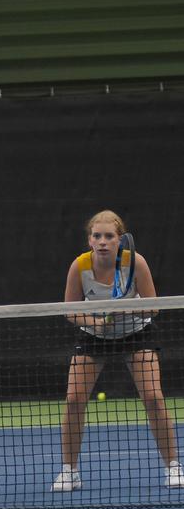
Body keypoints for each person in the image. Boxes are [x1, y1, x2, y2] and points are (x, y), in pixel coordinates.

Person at [51, 210, 181, 492]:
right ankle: (69, 472)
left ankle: (174, 467)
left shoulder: (135, 262)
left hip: (136, 334)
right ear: (89, 240)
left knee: (153, 398)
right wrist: (94, 322)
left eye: (109, 236)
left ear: (119, 240)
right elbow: (70, 310)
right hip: (94, 337)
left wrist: (126, 308)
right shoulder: (80, 266)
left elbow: (154, 306)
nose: (102, 241)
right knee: (73, 401)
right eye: (97, 236)